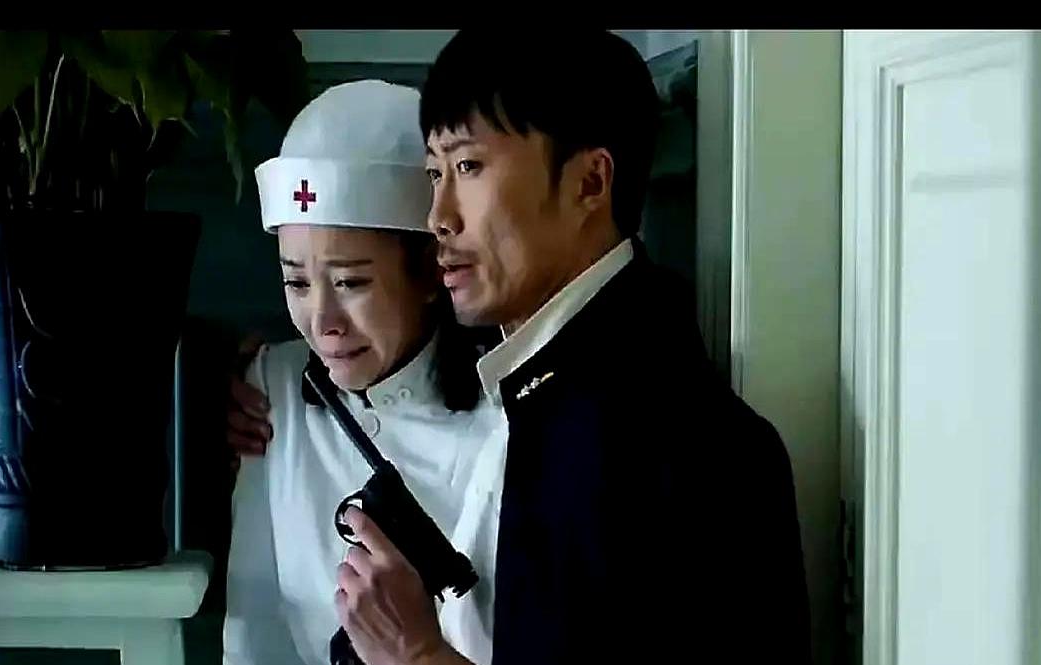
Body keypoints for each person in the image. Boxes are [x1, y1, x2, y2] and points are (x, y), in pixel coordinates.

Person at [322, 30, 813, 665]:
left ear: (588, 183)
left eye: (469, 167)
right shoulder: (517, 379)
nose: (438, 216)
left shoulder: (692, 445)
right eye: (434, 173)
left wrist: (417, 656)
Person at [221, 79, 501, 665]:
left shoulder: (505, 419)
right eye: (296, 282)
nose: (322, 322)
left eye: (351, 282)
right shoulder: (272, 390)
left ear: (431, 272)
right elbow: (256, 626)